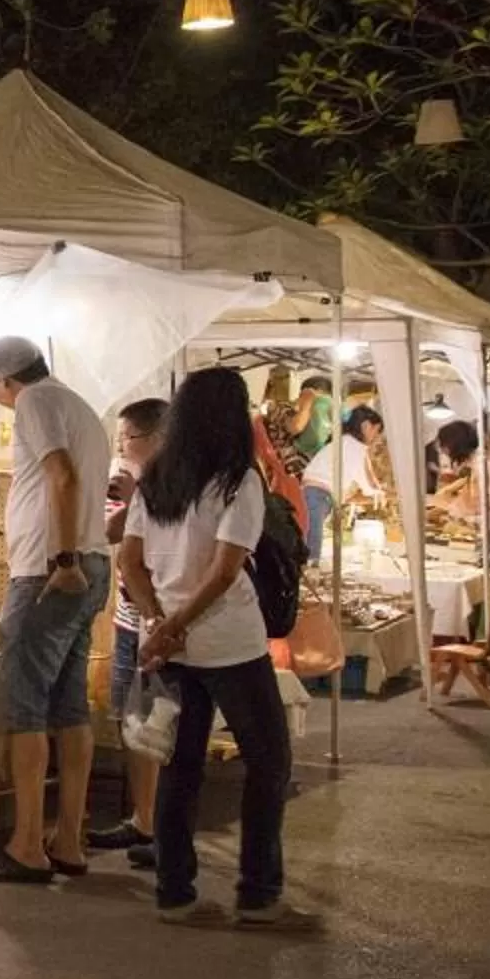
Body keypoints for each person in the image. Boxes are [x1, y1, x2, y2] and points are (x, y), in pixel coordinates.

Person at [117, 367, 313, 930]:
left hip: (174, 648)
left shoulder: (158, 477)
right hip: (230, 644)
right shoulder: (238, 480)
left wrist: (159, 622)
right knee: (269, 761)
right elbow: (226, 571)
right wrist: (174, 624)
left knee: (181, 768)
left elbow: (130, 561)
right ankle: (257, 892)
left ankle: (175, 893)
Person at [0, 337, 110, 885]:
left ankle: (26, 843)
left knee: (23, 707)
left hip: (50, 572)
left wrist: (62, 558)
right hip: (88, 563)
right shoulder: (78, 404)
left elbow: (62, 475)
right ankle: (67, 837)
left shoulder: (36, 403)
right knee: (68, 706)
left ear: (3, 381)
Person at [88, 397, 169, 863]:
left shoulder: (181, 482)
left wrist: (141, 496)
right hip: (127, 618)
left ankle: (163, 828)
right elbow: (111, 533)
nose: (122, 448)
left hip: (164, 620)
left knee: (163, 722)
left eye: (127, 439)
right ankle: (144, 819)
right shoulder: (130, 483)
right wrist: (129, 496)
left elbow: (178, 539)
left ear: (156, 438)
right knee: (132, 719)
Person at [302, 405, 385, 560]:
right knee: (312, 548)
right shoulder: (354, 446)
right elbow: (365, 482)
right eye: (377, 430)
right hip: (317, 495)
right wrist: (377, 494)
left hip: (317, 495)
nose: (377, 437)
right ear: (366, 426)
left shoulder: (345, 443)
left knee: (311, 541)